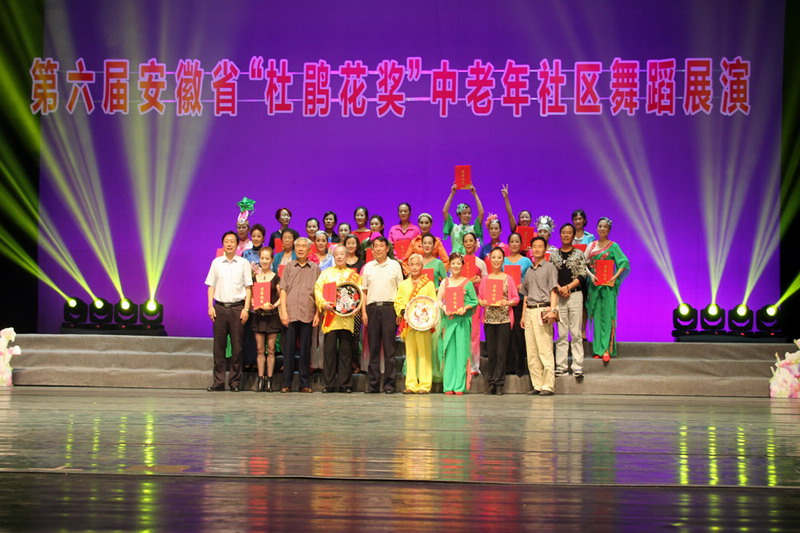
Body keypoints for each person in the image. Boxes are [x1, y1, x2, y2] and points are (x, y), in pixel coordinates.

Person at [205, 231, 252, 392]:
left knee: (237, 347)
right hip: (219, 308)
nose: (229, 244)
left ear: (237, 244)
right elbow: (211, 285)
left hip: (238, 308)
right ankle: (218, 382)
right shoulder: (216, 262)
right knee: (219, 347)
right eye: (226, 241)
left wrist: (246, 309)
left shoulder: (243, 263)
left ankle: (235, 382)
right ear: (223, 244)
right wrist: (210, 306)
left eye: (232, 241)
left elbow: (248, 287)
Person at [315, 245, 361, 393]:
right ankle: (328, 384)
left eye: (342, 254)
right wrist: (323, 303)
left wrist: (358, 306)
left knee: (346, 353)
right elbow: (317, 290)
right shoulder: (326, 274)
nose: (340, 256)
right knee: (329, 352)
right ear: (333, 257)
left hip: (347, 319)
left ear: (347, 256)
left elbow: (359, 294)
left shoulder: (354, 275)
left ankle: (345, 384)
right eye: (337, 254)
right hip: (331, 319)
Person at [361, 237, 404, 393]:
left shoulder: (395, 265)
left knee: (389, 349)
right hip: (372, 309)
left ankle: (389, 385)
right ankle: (373, 384)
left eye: (381, 246)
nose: (378, 249)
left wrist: (399, 311)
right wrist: (364, 311)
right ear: (372, 250)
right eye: (375, 246)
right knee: (373, 348)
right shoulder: (368, 267)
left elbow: (401, 290)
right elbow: (364, 292)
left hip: (389, 309)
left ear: (387, 248)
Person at [584, 217, 630, 364]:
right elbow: (582, 264)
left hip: (608, 287)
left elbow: (624, 263)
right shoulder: (591, 245)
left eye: (605, 227)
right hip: (595, 286)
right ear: (596, 228)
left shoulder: (613, 246)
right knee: (596, 317)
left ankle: (606, 350)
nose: (602, 229)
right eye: (600, 226)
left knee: (608, 317)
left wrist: (614, 278)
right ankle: (597, 349)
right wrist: (591, 276)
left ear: (609, 230)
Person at [278, 237, 320, 393]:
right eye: (298, 246)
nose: (301, 249)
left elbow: (319, 293)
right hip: (290, 314)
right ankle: (286, 383)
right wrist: (283, 311)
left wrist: (317, 313)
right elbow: (283, 290)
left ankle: (304, 383)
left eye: (304, 246)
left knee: (305, 351)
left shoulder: (315, 269)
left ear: (309, 250)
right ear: (295, 249)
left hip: (307, 313)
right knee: (288, 351)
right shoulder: (289, 267)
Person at [478, 247, 519, 395]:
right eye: (493, 257)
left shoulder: (508, 278)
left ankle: (500, 383)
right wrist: (481, 302)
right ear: (490, 259)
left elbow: (516, 298)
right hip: (489, 320)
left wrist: (506, 302)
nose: (496, 260)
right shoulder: (485, 279)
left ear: (503, 260)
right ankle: (491, 383)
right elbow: (480, 297)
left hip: (504, 320)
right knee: (492, 353)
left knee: (501, 353)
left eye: (499, 257)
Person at [394, 254, 437, 394]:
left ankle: (424, 385)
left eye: (417, 264)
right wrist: (402, 311)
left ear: (422, 266)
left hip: (423, 324)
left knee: (424, 354)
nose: (414, 267)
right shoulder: (403, 284)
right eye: (412, 264)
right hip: (409, 323)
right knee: (410, 354)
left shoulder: (429, 284)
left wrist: (429, 319)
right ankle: (411, 384)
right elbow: (398, 301)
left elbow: (433, 303)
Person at [521, 236, 558, 396]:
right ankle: (537, 384)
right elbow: (526, 294)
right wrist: (523, 315)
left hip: (543, 310)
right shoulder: (529, 270)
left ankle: (548, 385)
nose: (536, 249)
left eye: (540, 246)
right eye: (534, 246)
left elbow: (554, 290)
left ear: (545, 248)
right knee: (532, 351)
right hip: (529, 311)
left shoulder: (550, 267)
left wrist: (553, 310)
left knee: (544, 349)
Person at [550, 223, 587, 379]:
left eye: (569, 232)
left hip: (575, 295)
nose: (566, 235)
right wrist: (560, 289)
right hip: (559, 296)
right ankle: (562, 366)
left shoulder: (579, 254)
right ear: (560, 235)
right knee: (562, 333)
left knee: (576, 332)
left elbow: (583, 274)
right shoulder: (554, 255)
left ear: (573, 235)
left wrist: (568, 287)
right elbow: (551, 276)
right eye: (563, 232)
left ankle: (577, 366)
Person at [438, 253, 478, 395]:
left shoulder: (467, 283)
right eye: (453, 263)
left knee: (461, 353)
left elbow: (474, 301)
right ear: (449, 265)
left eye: (458, 263)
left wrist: (465, 308)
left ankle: (459, 386)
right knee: (449, 352)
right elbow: (438, 300)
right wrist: (444, 308)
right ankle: (448, 386)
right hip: (449, 321)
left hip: (462, 321)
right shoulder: (445, 282)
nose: (455, 266)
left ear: (462, 265)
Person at [251, 246, 284, 392]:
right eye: (262, 258)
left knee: (271, 350)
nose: (264, 261)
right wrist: (254, 303)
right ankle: (260, 379)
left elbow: (282, 295)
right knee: (259, 350)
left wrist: (274, 306)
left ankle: (269, 380)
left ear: (271, 260)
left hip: (272, 317)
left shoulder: (276, 277)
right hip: (258, 317)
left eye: (267, 258)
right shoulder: (254, 278)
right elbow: (251, 295)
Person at [504, 232, 533, 377]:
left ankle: (520, 367)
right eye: (512, 241)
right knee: (507, 334)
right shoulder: (503, 260)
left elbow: (532, 279)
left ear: (521, 244)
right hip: (505, 302)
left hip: (521, 301)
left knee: (519, 333)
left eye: (517, 241)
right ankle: (508, 366)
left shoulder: (526, 261)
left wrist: (524, 285)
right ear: (508, 244)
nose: (514, 244)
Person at [462, 232, 487, 376]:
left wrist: (480, 281)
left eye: (471, 240)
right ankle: (462, 364)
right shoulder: (459, 260)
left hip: (475, 302)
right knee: (461, 333)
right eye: (466, 241)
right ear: (463, 243)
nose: (468, 243)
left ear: (475, 243)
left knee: (474, 333)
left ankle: (474, 366)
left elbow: (487, 283)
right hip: (460, 302)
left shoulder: (480, 263)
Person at [343, 234, 365, 372]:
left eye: (353, 243)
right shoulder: (341, 263)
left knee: (356, 335)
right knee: (344, 335)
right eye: (348, 243)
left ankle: (355, 362)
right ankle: (344, 364)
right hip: (342, 305)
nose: (350, 246)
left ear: (357, 246)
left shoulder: (362, 264)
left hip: (356, 305)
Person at [442, 183, 485, 254]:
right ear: (459, 215)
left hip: (469, 258)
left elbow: (481, 213)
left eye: (469, 213)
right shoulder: (453, 227)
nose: (467, 216)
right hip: (455, 259)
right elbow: (445, 211)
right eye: (464, 213)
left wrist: (475, 194)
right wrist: (452, 194)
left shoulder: (473, 228)